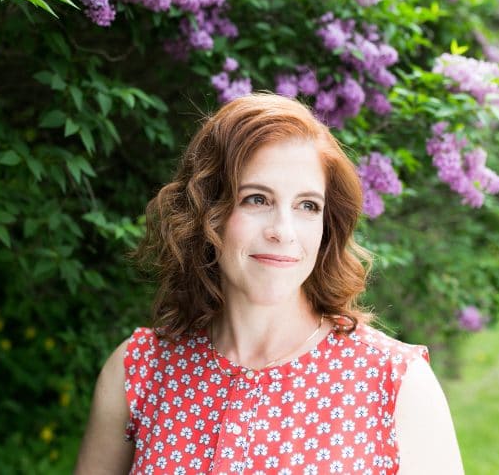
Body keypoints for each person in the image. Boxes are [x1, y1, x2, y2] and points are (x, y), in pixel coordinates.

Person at [75, 93, 464, 474]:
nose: (283, 231)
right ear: (205, 211)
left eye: (307, 206)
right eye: (257, 199)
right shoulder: (140, 370)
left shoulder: (395, 384)